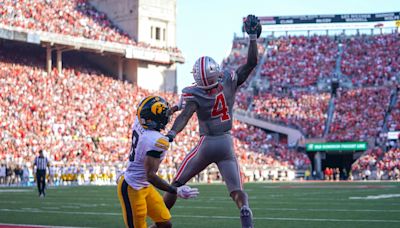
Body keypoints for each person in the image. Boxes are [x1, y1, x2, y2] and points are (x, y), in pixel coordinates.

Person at [163, 14, 261, 228]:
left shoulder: (194, 93)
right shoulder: (227, 80)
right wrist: (252, 37)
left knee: (176, 184)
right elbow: (251, 62)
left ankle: (160, 221)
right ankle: (244, 210)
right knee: (237, 191)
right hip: (226, 143)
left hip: (207, 144)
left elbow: (185, 116)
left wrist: (171, 134)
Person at [117, 96, 199, 228]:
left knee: (165, 224)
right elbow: (150, 175)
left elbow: (153, 114)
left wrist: (175, 108)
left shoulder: (139, 121)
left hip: (143, 185)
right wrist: (175, 190)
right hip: (132, 187)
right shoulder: (156, 141)